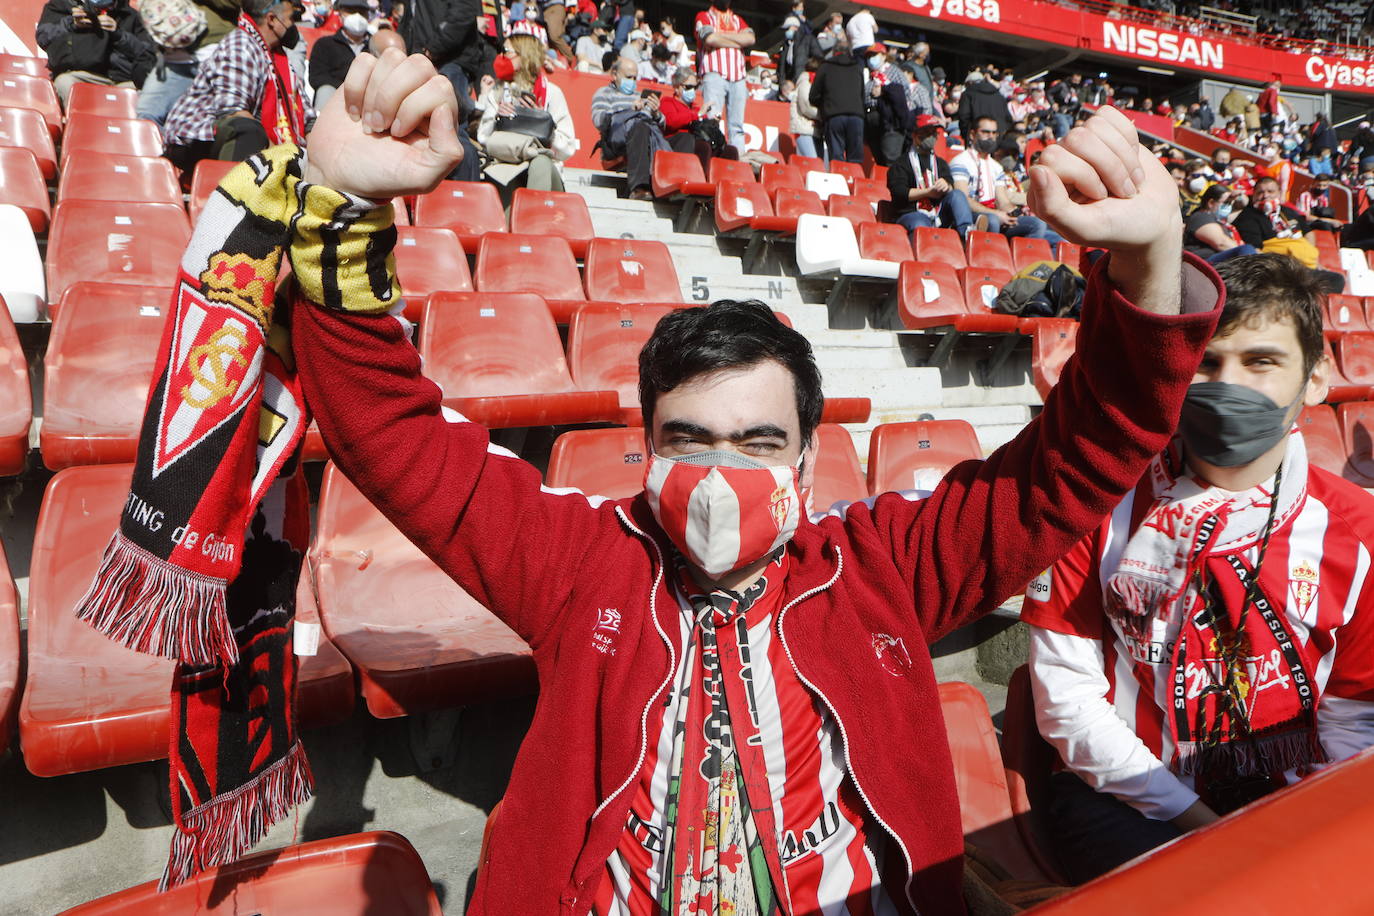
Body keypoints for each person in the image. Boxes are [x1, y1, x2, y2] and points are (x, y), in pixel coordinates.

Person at [294, 53, 1220, 912]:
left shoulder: (882, 567)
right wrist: (341, 205)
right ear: (645, 445)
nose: (718, 474)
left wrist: (1147, 268)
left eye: (758, 441)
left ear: (809, 457)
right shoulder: (580, 561)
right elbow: (393, 437)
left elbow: (1080, 457)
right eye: (689, 439)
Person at [1023, 251, 1374, 884]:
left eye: (1261, 361)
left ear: (1316, 379)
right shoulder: (1094, 506)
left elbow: (1353, 718)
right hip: (1131, 798)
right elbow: (1068, 704)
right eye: (1206, 363)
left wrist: (1301, 820)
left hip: (1293, 794)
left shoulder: (1360, 531)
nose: (1226, 385)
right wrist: (1206, 824)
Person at [161, 0, 310, 173]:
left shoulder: (281, 60)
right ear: (272, 19)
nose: (294, 26)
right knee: (247, 130)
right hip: (195, 139)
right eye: (291, 18)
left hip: (238, 134)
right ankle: (233, 197)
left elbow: (308, 118)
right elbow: (232, 111)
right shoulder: (240, 45)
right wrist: (279, 158)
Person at [476, 32, 576, 191]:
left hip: (544, 168)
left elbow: (567, 149)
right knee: (500, 173)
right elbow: (483, 137)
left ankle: (534, 215)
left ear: (524, 56)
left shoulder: (551, 93)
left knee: (540, 162)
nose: (502, 56)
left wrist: (541, 122)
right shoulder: (498, 91)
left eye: (507, 50)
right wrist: (497, 118)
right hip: (506, 162)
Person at [950, 116, 1061, 245]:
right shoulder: (960, 161)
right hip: (972, 216)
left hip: (995, 215)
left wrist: (1012, 213)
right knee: (992, 220)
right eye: (985, 132)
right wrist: (996, 214)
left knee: (1036, 224)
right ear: (973, 134)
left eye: (993, 133)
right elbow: (963, 199)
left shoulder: (996, 167)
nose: (990, 136)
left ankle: (1023, 263)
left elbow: (1002, 200)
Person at [36, 0, 155, 104]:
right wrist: (71, 24)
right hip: (83, 75)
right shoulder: (62, 6)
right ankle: (76, 125)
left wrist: (119, 35)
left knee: (150, 92)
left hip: (123, 79)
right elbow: (43, 37)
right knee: (65, 83)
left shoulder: (130, 15)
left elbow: (147, 53)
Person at [590, 55, 669, 200]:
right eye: (629, 77)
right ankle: (639, 187)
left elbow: (663, 125)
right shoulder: (604, 93)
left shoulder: (641, 96)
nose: (632, 82)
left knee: (685, 138)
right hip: (616, 140)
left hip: (646, 136)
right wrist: (629, 111)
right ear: (614, 75)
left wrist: (656, 113)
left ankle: (672, 183)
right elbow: (599, 121)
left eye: (635, 78)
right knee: (640, 127)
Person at [888, 113, 973, 239]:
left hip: (937, 212)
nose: (932, 137)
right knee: (920, 222)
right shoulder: (901, 164)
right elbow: (899, 192)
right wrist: (927, 192)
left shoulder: (940, 163)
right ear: (916, 136)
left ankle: (967, 234)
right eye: (927, 132)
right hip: (911, 212)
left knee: (957, 195)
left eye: (934, 132)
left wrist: (946, 186)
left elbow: (950, 184)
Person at [694, 0, 753, 152]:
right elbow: (709, 38)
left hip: (738, 76)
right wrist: (738, 41)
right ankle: (712, 160)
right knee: (712, 121)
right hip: (715, 73)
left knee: (737, 126)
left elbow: (751, 39)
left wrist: (720, 37)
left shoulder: (737, 19)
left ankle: (736, 162)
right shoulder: (704, 16)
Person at [808, 37, 865, 164]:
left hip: (834, 116)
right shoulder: (857, 67)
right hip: (856, 116)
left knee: (836, 158)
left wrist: (824, 104)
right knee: (855, 159)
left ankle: (840, 181)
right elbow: (862, 94)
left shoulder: (825, 67)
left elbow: (813, 96)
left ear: (834, 52)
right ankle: (854, 182)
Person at [308, 0, 371, 108]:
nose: (357, 16)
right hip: (336, 100)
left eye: (362, 12)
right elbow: (317, 78)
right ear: (341, 14)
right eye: (351, 11)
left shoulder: (375, 45)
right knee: (325, 90)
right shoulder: (325, 44)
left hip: (369, 102)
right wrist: (349, 89)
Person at [1183, 184, 1253, 264]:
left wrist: (1240, 195)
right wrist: (1248, 255)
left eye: (1230, 203)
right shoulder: (1201, 217)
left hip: (1221, 263)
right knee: (1246, 249)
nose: (1228, 206)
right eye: (1226, 202)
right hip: (1203, 264)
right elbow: (1221, 243)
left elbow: (1243, 205)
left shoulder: (1221, 221)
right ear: (1211, 203)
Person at [955, 69, 1009, 138]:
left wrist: (966, 135)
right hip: (998, 136)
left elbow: (964, 116)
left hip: (978, 137)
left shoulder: (967, 95)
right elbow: (1008, 118)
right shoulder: (999, 95)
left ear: (970, 83)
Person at [790, 58, 821, 160]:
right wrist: (822, 116)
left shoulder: (812, 81)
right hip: (804, 128)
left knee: (818, 164)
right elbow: (806, 106)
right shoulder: (806, 81)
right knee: (813, 163)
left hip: (814, 129)